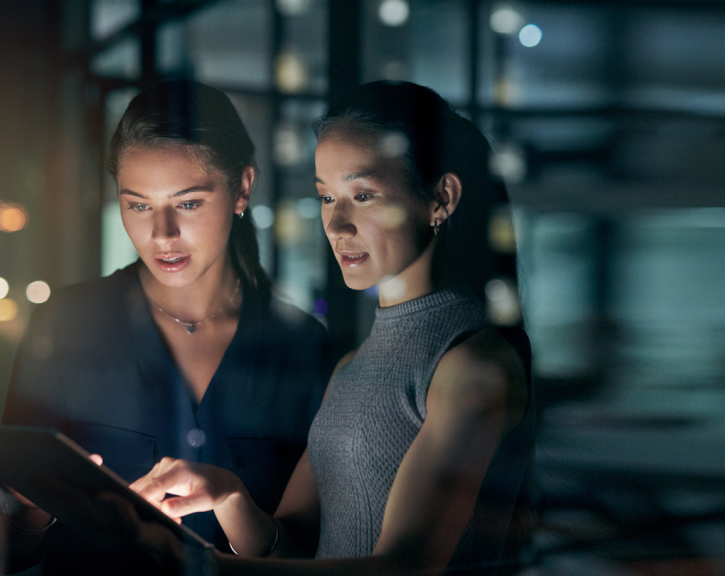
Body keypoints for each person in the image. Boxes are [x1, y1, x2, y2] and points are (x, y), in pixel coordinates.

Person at [125, 80, 536, 576]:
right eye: (325, 197)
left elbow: (404, 568)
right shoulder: (351, 368)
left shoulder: (474, 366)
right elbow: (290, 545)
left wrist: (203, 567)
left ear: (441, 198)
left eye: (362, 195)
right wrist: (231, 497)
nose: (337, 225)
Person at [1, 81, 333, 574]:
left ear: (242, 188)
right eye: (138, 205)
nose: (162, 234)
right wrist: (30, 509)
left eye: (188, 203)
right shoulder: (66, 325)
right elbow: (13, 555)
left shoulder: (305, 349)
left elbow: (312, 556)